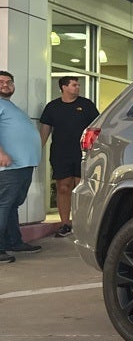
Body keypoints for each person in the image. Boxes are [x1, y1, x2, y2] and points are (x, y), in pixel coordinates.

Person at [39, 75, 99, 239]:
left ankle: (82, 223)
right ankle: (65, 223)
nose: (77, 88)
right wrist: (38, 148)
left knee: (81, 187)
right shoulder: (52, 107)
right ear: (64, 87)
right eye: (74, 85)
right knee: (63, 187)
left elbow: (96, 126)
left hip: (83, 152)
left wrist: (93, 148)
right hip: (60, 152)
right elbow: (45, 129)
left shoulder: (86, 105)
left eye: (78, 85)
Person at [0, 70, 42, 264]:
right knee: (4, 205)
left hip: (22, 164)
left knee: (11, 205)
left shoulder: (9, 106)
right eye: (1, 82)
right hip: (9, 166)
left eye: (9, 82)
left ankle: (13, 242)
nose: (6, 85)